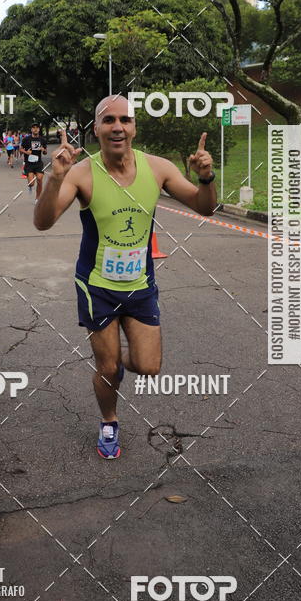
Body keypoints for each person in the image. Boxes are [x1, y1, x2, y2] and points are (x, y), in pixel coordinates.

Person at [33, 94, 216, 459]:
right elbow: (43, 221)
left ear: (134, 127)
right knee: (109, 365)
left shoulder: (158, 168)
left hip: (140, 284)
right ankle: (109, 421)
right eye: (109, 120)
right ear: (97, 129)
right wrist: (54, 179)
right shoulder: (82, 173)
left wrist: (207, 176)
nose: (118, 126)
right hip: (96, 284)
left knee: (148, 366)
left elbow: (204, 206)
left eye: (126, 120)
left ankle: (114, 362)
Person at [20, 123, 48, 201]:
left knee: (39, 179)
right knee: (31, 183)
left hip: (38, 163)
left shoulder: (42, 140)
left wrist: (43, 150)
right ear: (31, 129)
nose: (35, 129)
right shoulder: (26, 139)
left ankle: (38, 198)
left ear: (39, 129)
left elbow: (45, 152)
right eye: (33, 128)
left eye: (37, 128)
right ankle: (30, 185)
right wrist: (26, 152)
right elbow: (21, 149)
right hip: (29, 163)